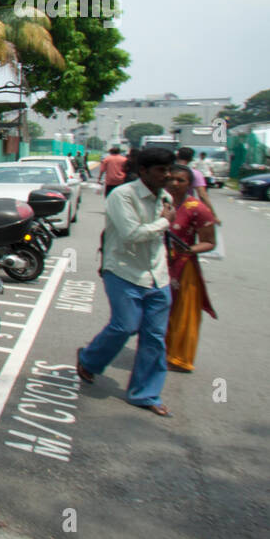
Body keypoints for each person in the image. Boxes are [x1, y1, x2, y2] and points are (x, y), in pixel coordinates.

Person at [76, 145, 177, 417]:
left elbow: (158, 238)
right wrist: (164, 223)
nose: (166, 175)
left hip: (157, 274)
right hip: (124, 270)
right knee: (125, 325)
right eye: (161, 170)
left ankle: (145, 393)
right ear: (143, 171)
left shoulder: (164, 197)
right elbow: (132, 233)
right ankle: (89, 358)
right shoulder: (123, 196)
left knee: (155, 337)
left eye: (169, 170)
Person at [163, 166, 216, 372]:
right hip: (156, 263)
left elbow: (209, 242)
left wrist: (187, 250)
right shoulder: (159, 202)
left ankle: (179, 357)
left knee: (182, 313)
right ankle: (157, 351)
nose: (174, 184)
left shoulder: (197, 208)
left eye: (181, 180)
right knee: (158, 310)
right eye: (171, 179)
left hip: (183, 267)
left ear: (189, 184)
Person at [176, 147, 219, 223]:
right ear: (191, 159)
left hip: (166, 209)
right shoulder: (194, 173)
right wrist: (213, 215)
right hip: (186, 210)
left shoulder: (167, 171)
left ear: (177, 156)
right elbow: (202, 196)